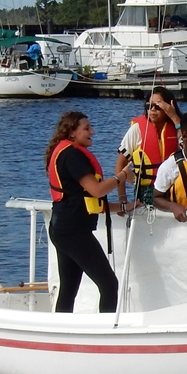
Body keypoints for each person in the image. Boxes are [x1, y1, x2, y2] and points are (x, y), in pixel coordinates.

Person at [45, 111, 134, 313]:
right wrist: (122, 176)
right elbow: (97, 190)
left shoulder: (67, 152)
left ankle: (60, 331)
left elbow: (89, 200)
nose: (92, 131)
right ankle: (105, 334)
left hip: (62, 229)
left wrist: (123, 207)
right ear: (72, 133)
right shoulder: (72, 156)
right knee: (109, 284)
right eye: (86, 128)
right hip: (73, 232)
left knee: (68, 289)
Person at [115, 87, 181, 210]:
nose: (152, 110)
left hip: (175, 189)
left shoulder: (179, 128)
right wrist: (122, 198)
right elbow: (120, 165)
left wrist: (175, 117)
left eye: (158, 106)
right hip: (147, 191)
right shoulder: (137, 129)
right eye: (149, 106)